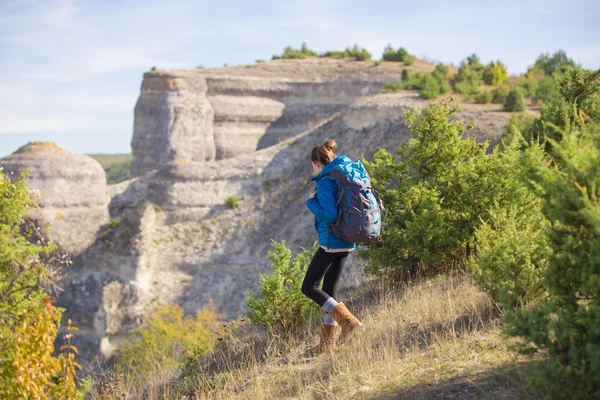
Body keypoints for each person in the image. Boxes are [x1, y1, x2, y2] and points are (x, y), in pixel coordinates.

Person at [302, 138, 363, 354]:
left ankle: (349, 322)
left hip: (331, 241)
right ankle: (327, 344)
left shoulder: (325, 181)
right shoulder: (342, 174)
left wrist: (311, 202)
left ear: (316, 162)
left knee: (309, 287)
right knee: (329, 291)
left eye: (312, 164)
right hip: (347, 239)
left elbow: (330, 214)